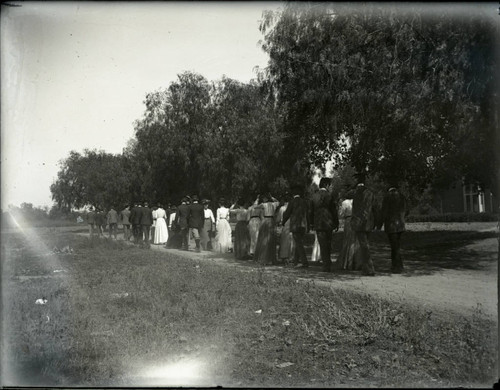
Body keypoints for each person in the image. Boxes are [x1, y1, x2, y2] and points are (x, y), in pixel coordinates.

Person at [310, 178, 339, 272]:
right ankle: (327, 263)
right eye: (329, 185)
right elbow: (334, 210)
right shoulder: (330, 196)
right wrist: (336, 222)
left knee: (322, 244)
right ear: (326, 185)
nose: (330, 187)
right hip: (328, 222)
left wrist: (311, 223)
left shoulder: (314, 196)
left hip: (318, 222)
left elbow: (311, 211)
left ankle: (326, 263)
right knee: (328, 243)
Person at [351, 175, 377, 276]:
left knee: (364, 246)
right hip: (369, 222)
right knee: (366, 245)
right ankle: (366, 267)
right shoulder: (370, 193)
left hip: (359, 223)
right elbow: (375, 208)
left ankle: (369, 268)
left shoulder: (356, 193)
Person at [380, 185, 408, 273]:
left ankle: (397, 266)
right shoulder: (402, 196)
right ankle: (397, 265)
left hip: (391, 225)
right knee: (397, 246)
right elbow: (407, 210)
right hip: (400, 225)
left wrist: (380, 222)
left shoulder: (387, 197)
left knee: (394, 246)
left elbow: (383, 211)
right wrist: (402, 218)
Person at [283, 185, 309, 268]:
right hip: (303, 225)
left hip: (295, 225)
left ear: (293, 193)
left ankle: (304, 262)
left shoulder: (292, 202)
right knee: (299, 243)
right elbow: (307, 214)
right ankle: (296, 261)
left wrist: (283, 221)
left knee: (299, 244)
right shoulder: (304, 201)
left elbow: (287, 213)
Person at [254, 193, 280, 265]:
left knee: (263, 238)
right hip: (271, 220)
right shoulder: (274, 204)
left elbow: (255, 207)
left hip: (266, 220)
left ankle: (264, 257)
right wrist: (273, 197)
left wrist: (257, 199)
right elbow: (279, 202)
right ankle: (270, 258)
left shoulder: (263, 204)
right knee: (270, 239)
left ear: (265, 199)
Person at [338, 190, 359, 270]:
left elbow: (341, 214)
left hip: (348, 220)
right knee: (355, 240)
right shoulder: (357, 201)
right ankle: (355, 262)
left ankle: (346, 263)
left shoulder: (345, 202)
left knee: (347, 240)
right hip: (356, 220)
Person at [276, 194, 295, 264]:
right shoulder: (293, 207)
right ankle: (291, 256)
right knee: (291, 241)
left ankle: (284, 256)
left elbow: (278, 219)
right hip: (291, 224)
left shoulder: (282, 208)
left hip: (284, 225)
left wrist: (278, 222)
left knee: (284, 241)